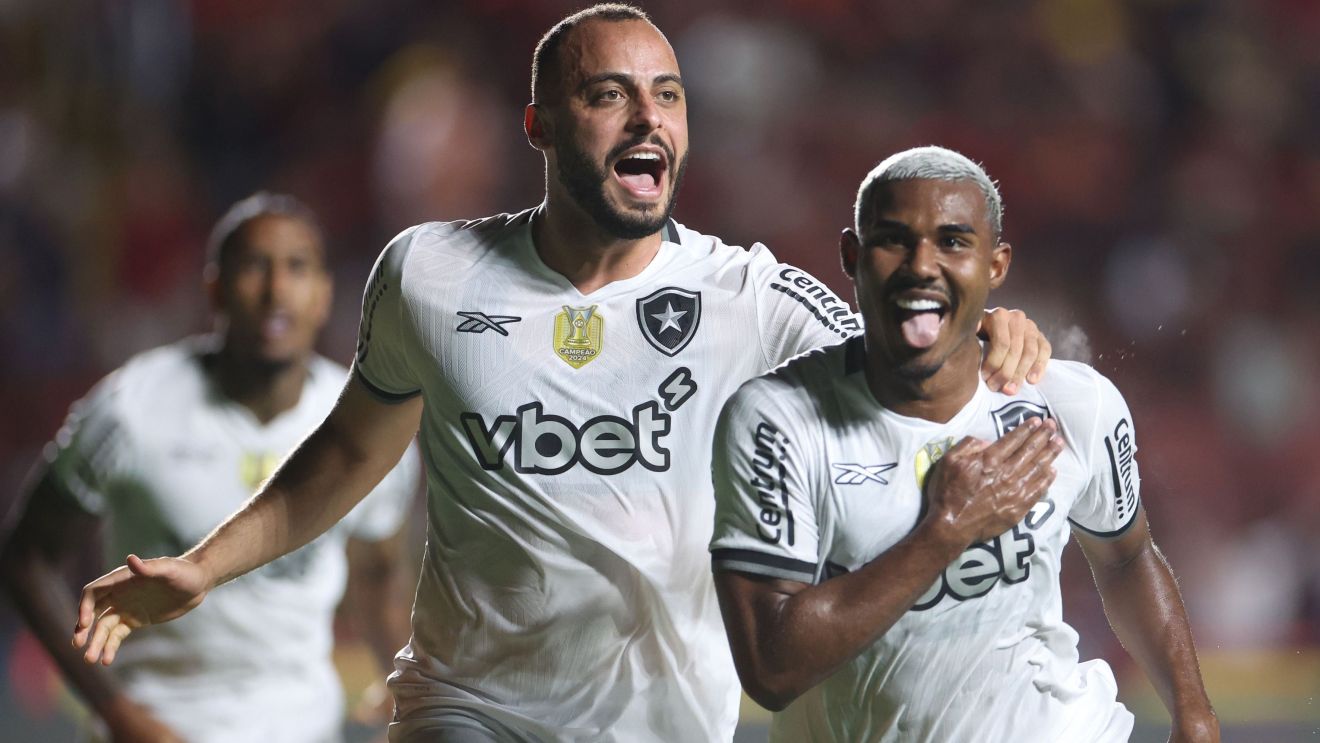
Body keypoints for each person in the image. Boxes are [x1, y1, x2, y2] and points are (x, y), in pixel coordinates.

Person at [69, 8, 1052, 742]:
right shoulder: (428, 275)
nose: (647, 118)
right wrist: (204, 564)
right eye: (608, 94)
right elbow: (344, 456)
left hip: (664, 720)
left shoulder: (749, 298)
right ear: (539, 124)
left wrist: (988, 330)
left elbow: (908, 365)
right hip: (465, 706)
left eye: (667, 94)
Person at [709, 146, 1219, 742]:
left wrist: (1194, 711)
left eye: (953, 242)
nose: (922, 265)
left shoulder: (1070, 403)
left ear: (995, 265)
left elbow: (1128, 556)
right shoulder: (777, 421)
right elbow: (771, 669)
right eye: (894, 240)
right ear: (852, 256)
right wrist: (946, 530)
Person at [0, 192, 420, 743]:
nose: (276, 290)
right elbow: (26, 556)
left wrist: (402, 677)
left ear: (325, 295)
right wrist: (118, 714)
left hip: (306, 730)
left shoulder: (364, 428)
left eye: (297, 267)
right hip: (161, 725)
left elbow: (378, 573)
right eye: (254, 266)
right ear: (214, 289)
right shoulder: (130, 408)